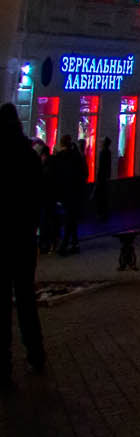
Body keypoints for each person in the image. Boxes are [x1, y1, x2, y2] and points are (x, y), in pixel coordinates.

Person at [0, 106, 45, 388]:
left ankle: (3, 366)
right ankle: (35, 352)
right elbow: (39, 195)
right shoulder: (29, 156)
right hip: (24, 238)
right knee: (26, 298)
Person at [48, 133, 87, 256]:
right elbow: (83, 173)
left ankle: (65, 243)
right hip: (75, 191)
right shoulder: (76, 156)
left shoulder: (59, 157)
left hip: (64, 191)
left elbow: (53, 174)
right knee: (72, 216)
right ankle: (73, 242)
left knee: (69, 216)